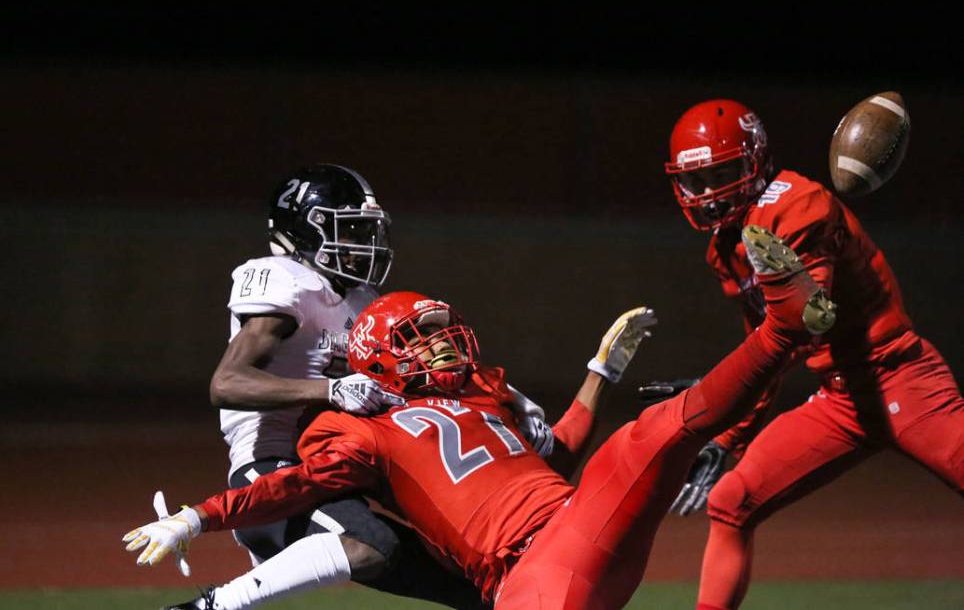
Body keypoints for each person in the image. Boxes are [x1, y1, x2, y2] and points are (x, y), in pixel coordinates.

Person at [124, 223, 837, 610]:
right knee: (651, 437)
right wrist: (197, 517)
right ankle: (781, 330)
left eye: (438, 328)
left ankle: (783, 328)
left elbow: (556, 452)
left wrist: (600, 372)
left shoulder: (482, 393)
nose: (438, 343)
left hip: (582, 528)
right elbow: (291, 488)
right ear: (379, 359)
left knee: (653, 434)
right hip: (530, 578)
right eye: (417, 336)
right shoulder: (360, 423)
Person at [168, 164, 570, 610]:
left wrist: (506, 399)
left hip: (356, 462)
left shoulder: (362, 299)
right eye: (351, 229)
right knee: (372, 544)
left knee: (477, 582)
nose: (363, 243)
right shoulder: (288, 281)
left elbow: (414, 373)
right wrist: (330, 391)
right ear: (304, 231)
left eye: (365, 230)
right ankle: (209, 607)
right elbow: (227, 383)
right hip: (278, 465)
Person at [661, 99, 964, 610]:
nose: (710, 196)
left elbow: (802, 324)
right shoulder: (726, 249)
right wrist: (729, 435)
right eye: (699, 182)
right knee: (730, 502)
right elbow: (763, 346)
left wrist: (716, 396)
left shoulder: (797, 203)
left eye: (723, 175)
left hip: (900, 379)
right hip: (839, 399)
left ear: (754, 162)